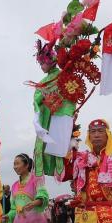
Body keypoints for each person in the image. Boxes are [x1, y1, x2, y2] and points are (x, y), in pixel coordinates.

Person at [29, 40, 75, 177]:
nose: (42, 66)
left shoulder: (63, 74)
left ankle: (62, 170)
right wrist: (42, 99)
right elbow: (36, 99)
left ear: (51, 60)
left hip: (59, 114)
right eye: (40, 63)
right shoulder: (43, 82)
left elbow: (71, 92)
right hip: (48, 115)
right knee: (46, 144)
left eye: (43, 63)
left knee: (58, 144)